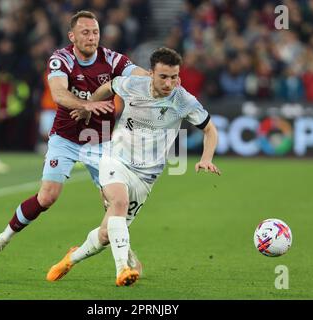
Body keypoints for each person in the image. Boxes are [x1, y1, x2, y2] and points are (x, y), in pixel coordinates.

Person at [0, 11, 148, 271]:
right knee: (47, 197)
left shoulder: (112, 59)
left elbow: (139, 74)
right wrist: (88, 104)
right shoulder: (61, 59)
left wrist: (158, 80)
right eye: (85, 32)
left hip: (100, 142)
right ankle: (2, 239)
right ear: (72, 36)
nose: (92, 37)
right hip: (66, 138)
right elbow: (58, 94)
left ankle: (125, 253)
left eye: (95, 32)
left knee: (115, 200)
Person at [46, 47, 221, 286]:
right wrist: (88, 108)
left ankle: (71, 258)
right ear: (150, 74)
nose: (169, 83)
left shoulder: (183, 101)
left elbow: (210, 130)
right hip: (115, 158)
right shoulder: (133, 85)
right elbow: (108, 87)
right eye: (163, 76)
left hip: (146, 176)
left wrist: (206, 158)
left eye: (173, 77)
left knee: (107, 234)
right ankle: (122, 270)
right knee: (119, 201)